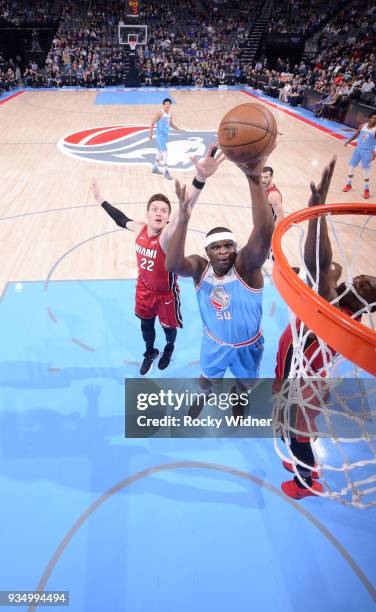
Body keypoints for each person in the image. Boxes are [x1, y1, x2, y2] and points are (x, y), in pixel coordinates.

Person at [275, 157, 376, 499]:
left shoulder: (335, 310)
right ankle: (299, 460)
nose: (357, 280)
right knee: (288, 420)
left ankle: (307, 481)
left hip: (307, 378)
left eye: (364, 286)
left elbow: (318, 262)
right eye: (361, 277)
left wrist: (317, 209)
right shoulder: (340, 300)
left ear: (366, 304)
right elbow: (323, 267)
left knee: (297, 433)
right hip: (297, 361)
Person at [91, 144, 224, 375]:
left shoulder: (166, 236)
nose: (159, 213)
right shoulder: (140, 229)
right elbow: (120, 219)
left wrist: (200, 178)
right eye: (155, 209)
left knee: (169, 328)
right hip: (143, 290)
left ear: (167, 217)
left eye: (164, 210)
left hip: (166, 295)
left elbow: (186, 208)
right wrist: (101, 199)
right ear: (148, 213)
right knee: (146, 326)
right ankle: (150, 352)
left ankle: (169, 348)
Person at [165, 151, 275, 397]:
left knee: (246, 386)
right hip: (215, 343)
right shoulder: (200, 268)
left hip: (249, 346)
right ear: (207, 251)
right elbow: (172, 265)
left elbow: (264, 232)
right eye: (217, 247)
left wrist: (253, 177)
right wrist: (182, 220)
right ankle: (203, 397)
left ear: (236, 249)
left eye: (228, 246)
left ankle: (238, 397)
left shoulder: (246, 268)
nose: (224, 251)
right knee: (206, 381)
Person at [149, 97, 185, 180]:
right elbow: (152, 123)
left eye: (169, 104)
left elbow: (171, 124)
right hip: (160, 136)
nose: (167, 105)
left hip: (165, 136)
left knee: (159, 152)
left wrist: (179, 129)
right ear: (163, 105)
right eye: (166, 104)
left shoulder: (170, 113)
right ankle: (165, 171)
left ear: (170, 105)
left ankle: (155, 168)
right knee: (165, 152)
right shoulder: (160, 113)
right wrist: (150, 134)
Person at [342, 112, 376, 199]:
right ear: (369, 118)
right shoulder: (362, 126)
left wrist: (374, 154)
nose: (373, 120)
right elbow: (356, 135)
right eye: (372, 118)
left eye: (375, 119)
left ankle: (366, 190)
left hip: (367, 152)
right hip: (358, 149)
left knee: (365, 172)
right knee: (351, 167)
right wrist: (348, 141)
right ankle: (349, 184)